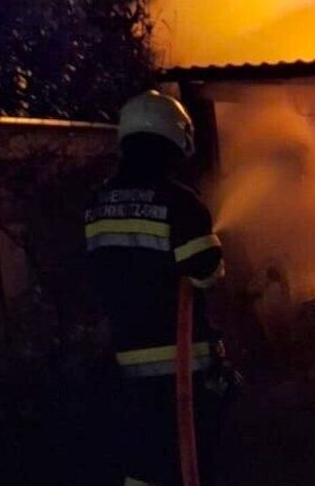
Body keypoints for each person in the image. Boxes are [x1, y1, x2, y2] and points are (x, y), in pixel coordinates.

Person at [85, 90, 228, 485]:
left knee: (143, 461)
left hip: (124, 361)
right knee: (192, 461)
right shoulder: (180, 202)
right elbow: (205, 270)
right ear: (176, 139)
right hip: (181, 366)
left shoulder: (97, 202)